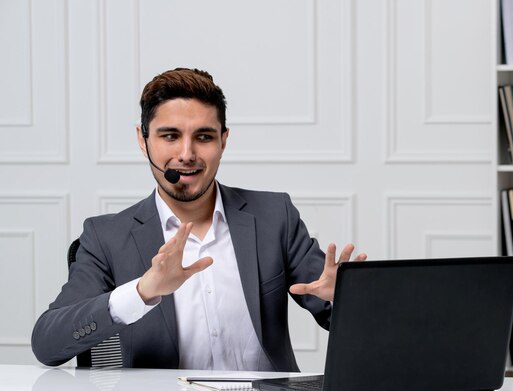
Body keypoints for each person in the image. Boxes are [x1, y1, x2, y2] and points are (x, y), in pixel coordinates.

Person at [31, 68, 366, 371]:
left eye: (203, 137)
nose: (187, 153)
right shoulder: (106, 237)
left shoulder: (274, 217)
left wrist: (347, 300)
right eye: (170, 136)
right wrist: (142, 291)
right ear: (142, 140)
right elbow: (47, 342)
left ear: (223, 140)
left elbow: (349, 315)